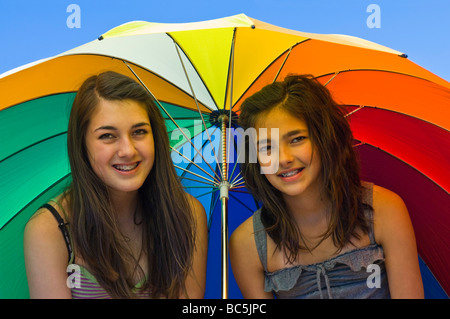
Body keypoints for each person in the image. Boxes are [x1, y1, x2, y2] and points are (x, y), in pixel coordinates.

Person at [230, 74, 423, 299]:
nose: (283, 158)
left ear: (324, 138)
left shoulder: (385, 210)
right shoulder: (247, 245)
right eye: (266, 147)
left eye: (296, 139)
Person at [24, 71, 208, 299]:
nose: (128, 150)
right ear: (82, 145)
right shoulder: (51, 229)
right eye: (108, 136)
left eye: (139, 132)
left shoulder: (188, 214)